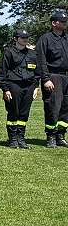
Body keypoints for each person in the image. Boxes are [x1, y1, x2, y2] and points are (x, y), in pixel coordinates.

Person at [0, 29, 39, 150]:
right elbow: (1, 72)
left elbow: (37, 72)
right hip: (13, 85)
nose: (25, 39)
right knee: (14, 112)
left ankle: (21, 138)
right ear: (15, 39)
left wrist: (36, 87)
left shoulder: (32, 54)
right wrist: (5, 89)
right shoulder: (8, 53)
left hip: (29, 86)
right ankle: (13, 138)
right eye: (22, 37)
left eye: (26, 37)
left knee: (24, 113)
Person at [36, 10, 68, 147]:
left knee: (65, 108)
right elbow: (40, 60)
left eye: (66, 21)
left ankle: (61, 135)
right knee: (52, 107)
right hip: (53, 76)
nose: (65, 23)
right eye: (62, 21)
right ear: (54, 23)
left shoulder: (66, 38)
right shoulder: (45, 39)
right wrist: (45, 79)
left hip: (66, 76)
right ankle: (51, 136)